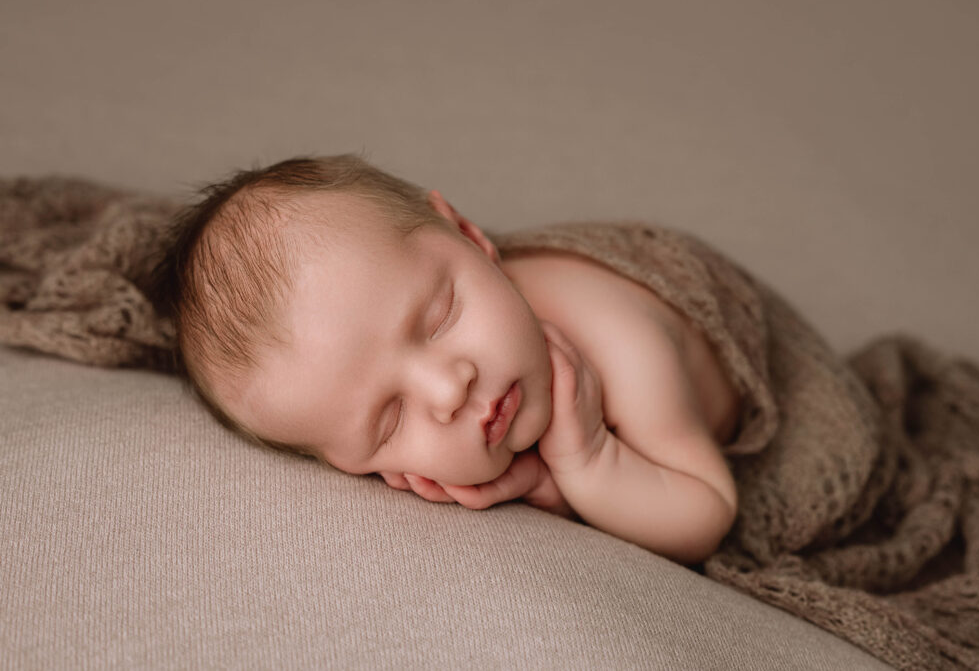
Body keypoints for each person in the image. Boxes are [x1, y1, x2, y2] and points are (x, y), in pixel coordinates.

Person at [152, 154, 742, 564]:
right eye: (389, 421)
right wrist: (543, 480)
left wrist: (585, 459)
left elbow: (706, 514)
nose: (447, 391)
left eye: (439, 319)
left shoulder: (623, 342)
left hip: (716, 329)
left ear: (467, 231)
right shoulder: (446, 329)